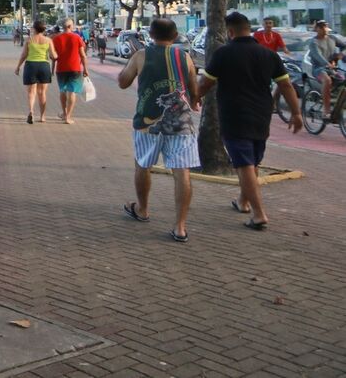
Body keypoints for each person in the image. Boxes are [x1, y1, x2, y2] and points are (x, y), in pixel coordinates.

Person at [199, 12, 302, 230]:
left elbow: (205, 84)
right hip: (262, 114)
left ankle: (259, 214)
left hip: (234, 115)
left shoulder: (223, 54)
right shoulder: (268, 55)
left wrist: (194, 97)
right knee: (252, 161)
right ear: (249, 29)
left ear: (230, 32)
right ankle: (243, 201)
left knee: (244, 164)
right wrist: (297, 113)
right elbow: (285, 86)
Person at [117, 18, 201, 243]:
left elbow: (122, 82)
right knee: (182, 172)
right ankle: (180, 227)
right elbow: (194, 91)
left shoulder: (140, 55)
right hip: (182, 123)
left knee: (143, 165)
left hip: (146, 124)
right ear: (175, 36)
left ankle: (143, 209)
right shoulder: (184, 57)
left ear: (150, 35)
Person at [15, 20, 57, 124]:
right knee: (42, 93)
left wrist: (18, 67)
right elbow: (53, 55)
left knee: (31, 92)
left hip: (30, 66)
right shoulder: (48, 40)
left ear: (34, 28)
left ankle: (31, 112)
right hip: (44, 66)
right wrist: (56, 55)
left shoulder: (29, 40)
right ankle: (42, 116)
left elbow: (24, 55)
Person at [52, 18, 89, 124]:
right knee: (72, 92)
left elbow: (53, 56)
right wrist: (85, 69)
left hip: (61, 69)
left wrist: (52, 67)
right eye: (73, 25)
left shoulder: (56, 38)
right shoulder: (77, 37)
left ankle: (64, 113)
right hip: (75, 68)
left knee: (62, 90)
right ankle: (68, 117)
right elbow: (83, 55)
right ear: (69, 26)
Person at [307, 20, 337, 119]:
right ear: (318, 29)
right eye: (323, 28)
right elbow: (318, 56)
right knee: (327, 80)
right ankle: (326, 109)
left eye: (326, 27)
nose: (326, 30)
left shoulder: (332, 38)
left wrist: (341, 55)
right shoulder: (313, 42)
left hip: (332, 68)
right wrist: (328, 64)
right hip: (318, 69)